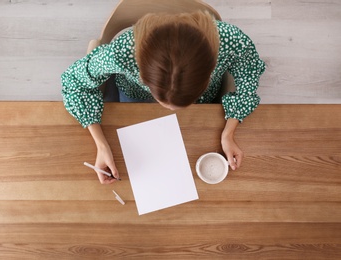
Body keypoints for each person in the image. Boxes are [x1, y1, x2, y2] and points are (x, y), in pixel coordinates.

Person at [61, 11, 266, 184]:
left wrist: (228, 133)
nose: (169, 110)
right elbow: (74, 82)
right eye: (164, 101)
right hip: (135, 100)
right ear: (142, 72)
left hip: (202, 106)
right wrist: (101, 144)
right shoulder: (123, 52)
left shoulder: (230, 41)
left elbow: (248, 79)